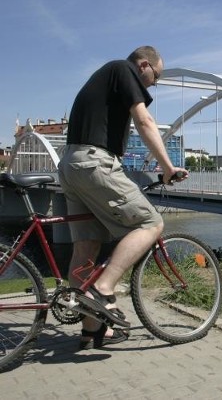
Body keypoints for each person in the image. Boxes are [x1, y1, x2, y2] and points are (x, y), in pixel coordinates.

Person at [58, 46, 188, 349]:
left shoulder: (104, 77)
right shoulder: (124, 69)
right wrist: (167, 168)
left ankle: (92, 330)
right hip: (94, 162)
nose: (151, 85)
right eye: (154, 78)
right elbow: (145, 122)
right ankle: (104, 289)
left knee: (85, 249)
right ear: (144, 65)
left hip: (71, 165)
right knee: (150, 223)